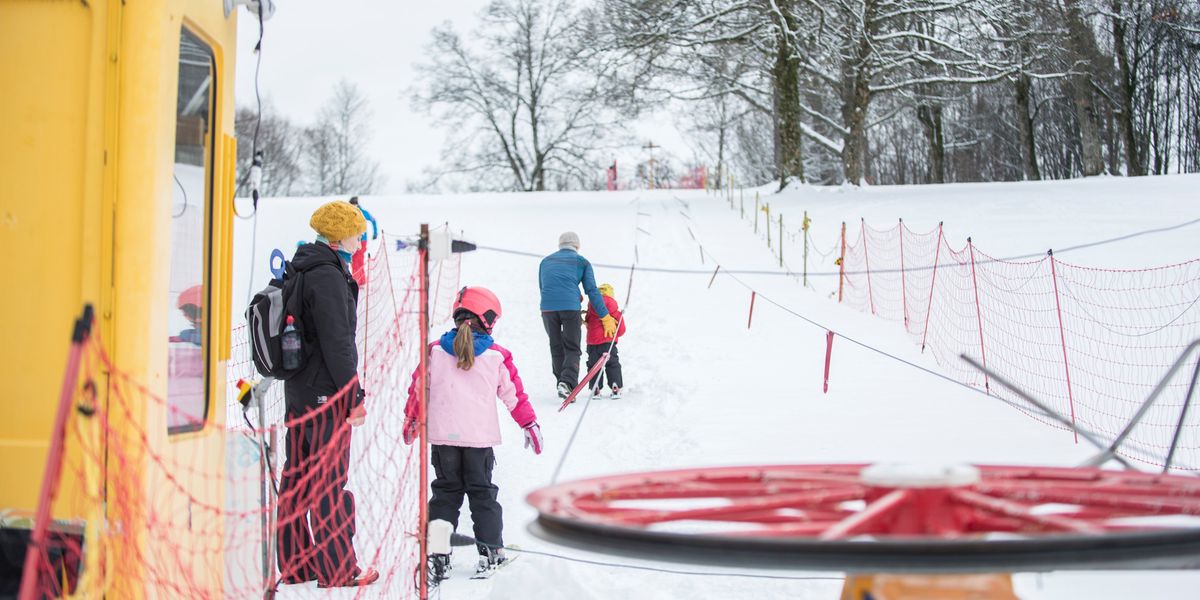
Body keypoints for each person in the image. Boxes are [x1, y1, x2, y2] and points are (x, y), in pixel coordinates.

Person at [402, 286, 542, 577]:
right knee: (482, 495)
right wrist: (528, 424)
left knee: (445, 495)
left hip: (443, 440)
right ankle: (491, 553)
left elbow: (418, 388)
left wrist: (411, 418)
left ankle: (437, 556)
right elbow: (514, 395)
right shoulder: (496, 355)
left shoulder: (435, 351)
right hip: (478, 441)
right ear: (487, 319)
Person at [276, 200, 378, 588]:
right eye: (356, 231)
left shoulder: (303, 266)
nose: (360, 237)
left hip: (299, 390)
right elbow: (338, 344)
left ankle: (296, 564)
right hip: (324, 395)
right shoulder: (328, 276)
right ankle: (337, 569)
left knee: (297, 477)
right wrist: (353, 395)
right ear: (339, 236)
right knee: (328, 481)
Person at [539, 232, 616, 398]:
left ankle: (562, 383)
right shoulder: (582, 262)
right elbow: (592, 292)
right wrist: (605, 316)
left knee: (556, 346)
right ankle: (566, 383)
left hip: (547, 309)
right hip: (569, 308)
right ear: (577, 246)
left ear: (560, 245)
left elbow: (544, 287)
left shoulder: (545, 262)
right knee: (572, 347)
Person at [584, 283, 627, 398]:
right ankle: (615, 386)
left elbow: (587, 322)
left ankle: (595, 388)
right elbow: (621, 330)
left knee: (594, 366)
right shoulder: (615, 311)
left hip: (592, 344)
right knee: (612, 364)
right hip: (609, 343)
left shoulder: (592, 307)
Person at [347, 196, 378, 286]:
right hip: (352, 239)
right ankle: (356, 280)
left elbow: (373, 220)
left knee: (359, 260)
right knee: (353, 259)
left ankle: (360, 281)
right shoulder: (349, 213)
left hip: (362, 240)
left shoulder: (363, 213)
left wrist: (375, 233)